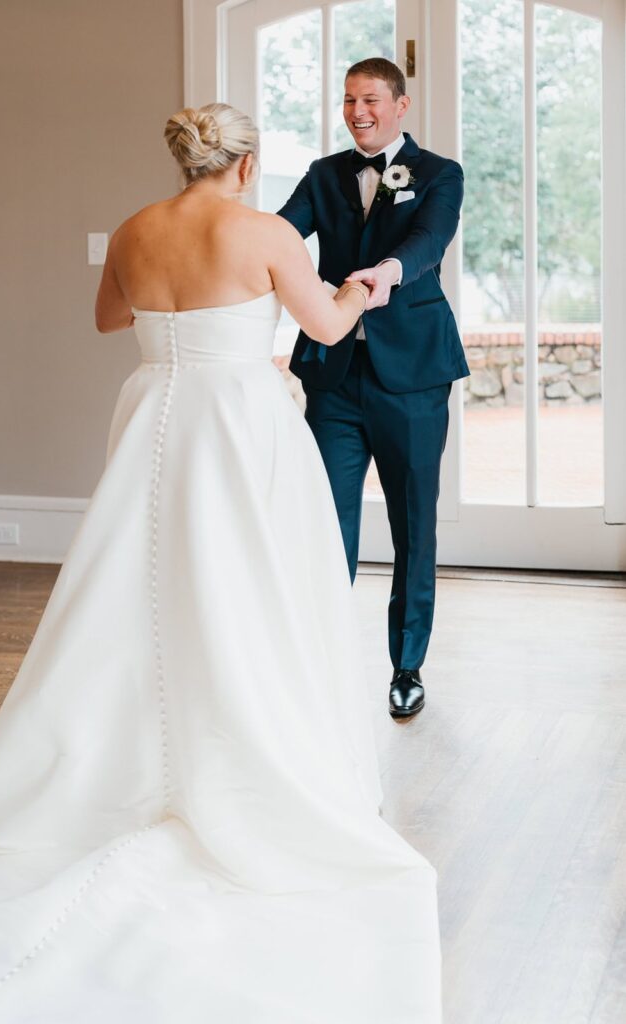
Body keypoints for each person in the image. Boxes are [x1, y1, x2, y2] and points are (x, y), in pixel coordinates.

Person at [0, 103, 441, 1022]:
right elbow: (326, 330)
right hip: (239, 419)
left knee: (136, 585)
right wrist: (366, 288)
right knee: (249, 584)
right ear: (244, 164)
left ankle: (115, 755)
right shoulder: (264, 231)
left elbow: (108, 318)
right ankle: (244, 738)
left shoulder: (136, 228)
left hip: (153, 412)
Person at [279, 57, 469, 720]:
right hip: (332, 376)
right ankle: (320, 667)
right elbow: (277, 235)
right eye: (348, 100)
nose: (358, 112)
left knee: (413, 525)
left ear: (400, 105)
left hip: (412, 376)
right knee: (326, 524)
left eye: (370, 100)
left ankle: (407, 666)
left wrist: (387, 270)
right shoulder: (321, 174)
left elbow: (428, 240)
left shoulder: (439, 174)